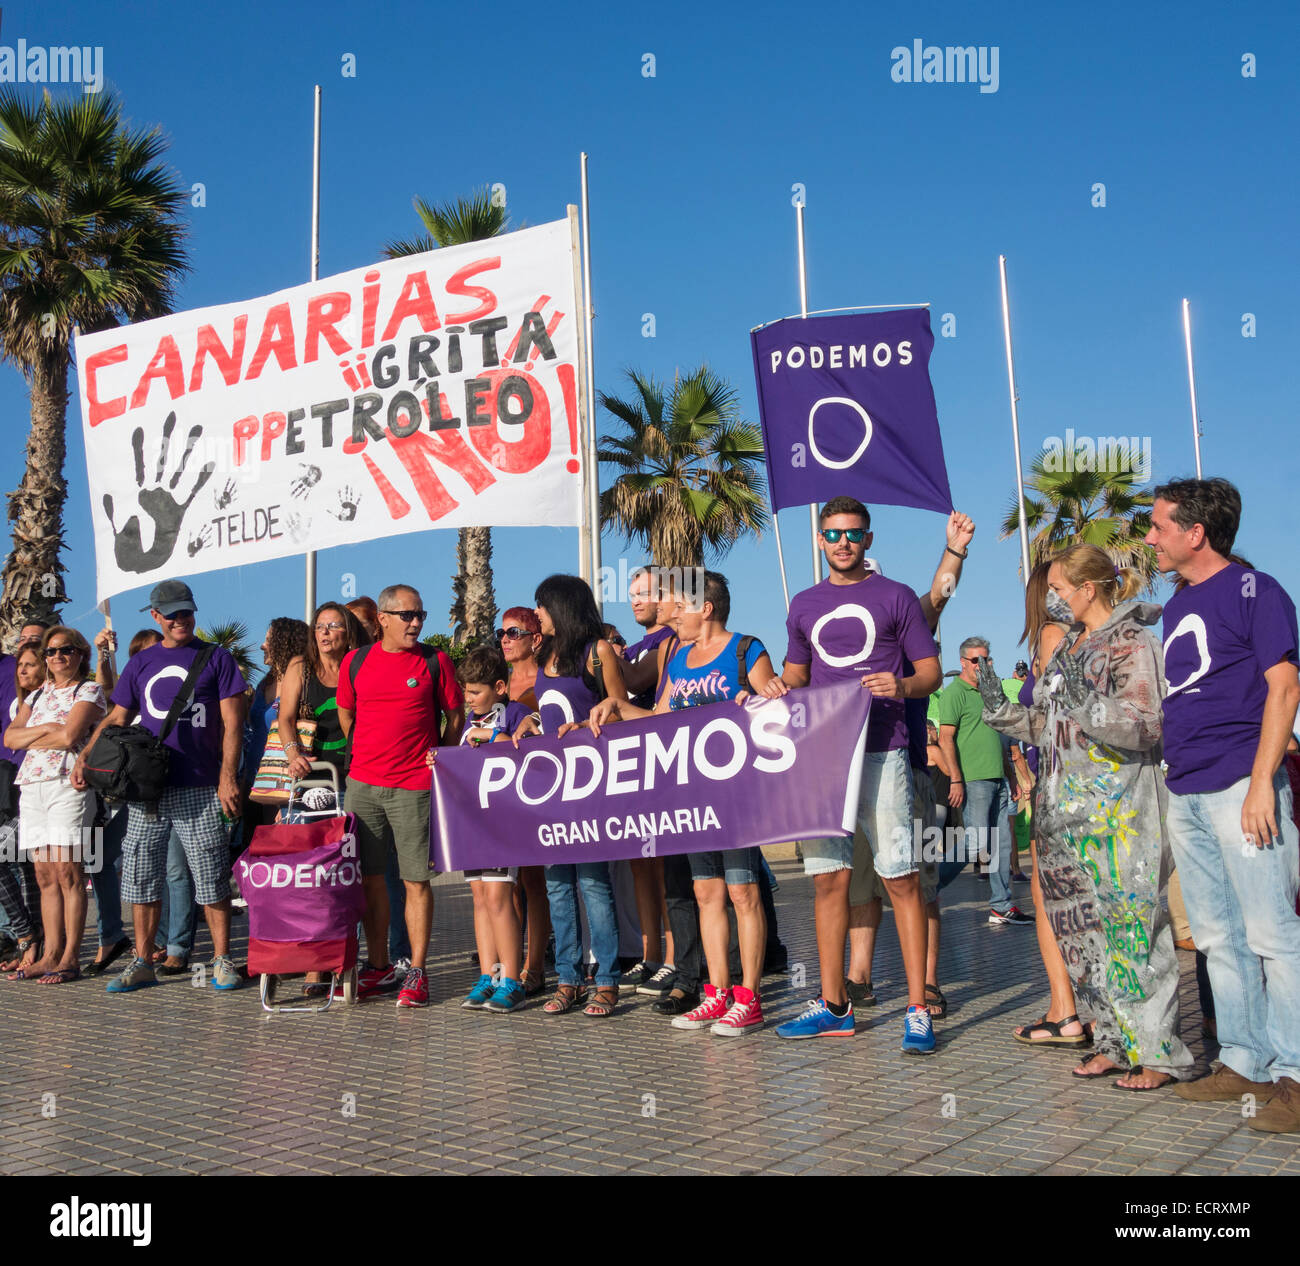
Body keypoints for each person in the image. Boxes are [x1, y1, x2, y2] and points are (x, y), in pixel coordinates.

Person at [980, 543, 1193, 1090]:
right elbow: (1052, 726)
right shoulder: (1072, 645)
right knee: (1086, 937)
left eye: (1059, 589)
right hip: (1061, 819)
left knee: (1133, 931)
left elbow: (1146, 726)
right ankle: (1113, 1044)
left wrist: (1088, 705)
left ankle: (1158, 1053)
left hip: (1118, 815)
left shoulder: (1131, 641)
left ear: (1088, 588)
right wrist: (1004, 713)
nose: (1053, 600)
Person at [1144, 478, 1300, 1129]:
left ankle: (1294, 1073)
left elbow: (1285, 687)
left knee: (1271, 935)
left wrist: (1264, 782)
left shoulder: (1256, 592)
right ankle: (1243, 1061)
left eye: (1157, 527)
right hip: (1187, 786)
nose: (1149, 538)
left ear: (1195, 532)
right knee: (1215, 937)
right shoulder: (1179, 605)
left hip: (1243, 783)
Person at [761, 496, 942, 1052]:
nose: (843, 542)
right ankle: (835, 1005)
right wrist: (776, 686)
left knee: (900, 878)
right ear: (820, 539)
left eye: (854, 534)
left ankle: (918, 1009)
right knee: (828, 881)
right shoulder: (804, 603)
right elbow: (797, 671)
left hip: (883, 749)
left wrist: (903, 686)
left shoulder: (897, 596)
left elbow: (931, 672)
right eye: (834, 533)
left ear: (868, 539)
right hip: (822, 756)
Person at [581, 571, 776, 1035]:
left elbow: (777, 711)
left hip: (737, 797)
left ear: (705, 609)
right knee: (706, 893)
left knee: (742, 892)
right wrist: (615, 708)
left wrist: (762, 699)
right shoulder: (681, 658)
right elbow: (659, 719)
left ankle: (749, 997)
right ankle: (717, 993)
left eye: (678, 607)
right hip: (691, 798)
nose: (671, 616)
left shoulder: (748, 649)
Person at [72, 580, 249, 995]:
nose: (181, 620)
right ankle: (142, 960)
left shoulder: (217, 659)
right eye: (171, 615)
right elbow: (117, 717)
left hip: (200, 785)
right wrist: (86, 758)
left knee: (208, 873)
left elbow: (234, 725)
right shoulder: (142, 663)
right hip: (147, 789)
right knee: (139, 874)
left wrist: (227, 778)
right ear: (156, 617)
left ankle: (222, 960)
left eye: (186, 612)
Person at [847, 512, 976, 1019]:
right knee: (860, 880)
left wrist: (955, 551)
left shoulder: (902, 618)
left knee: (916, 880)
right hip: (852, 772)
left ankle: (926, 982)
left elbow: (939, 593)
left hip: (908, 770)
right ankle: (858, 977)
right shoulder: (829, 633)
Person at [336, 584, 464, 1009]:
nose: (416, 623)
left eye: (420, 615)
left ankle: (418, 970)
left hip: (414, 786)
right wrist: (363, 749)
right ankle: (378, 966)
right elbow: (346, 711)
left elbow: (455, 713)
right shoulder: (356, 662)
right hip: (363, 786)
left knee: (415, 881)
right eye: (407, 615)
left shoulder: (435, 660)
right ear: (383, 619)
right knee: (370, 882)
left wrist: (441, 755)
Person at [512, 574, 627, 1018]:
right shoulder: (544, 657)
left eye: (542, 606)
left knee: (594, 885)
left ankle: (608, 979)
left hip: (592, 788)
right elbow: (551, 708)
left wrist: (588, 727)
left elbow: (622, 711)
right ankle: (568, 977)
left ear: (561, 607)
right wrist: (530, 723)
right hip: (553, 791)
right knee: (558, 887)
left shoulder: (596, 652)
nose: (537, 614)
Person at [1001, 562, 1083, 1048]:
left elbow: (1057, 714)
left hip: (1063, 781)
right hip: (1063, 778)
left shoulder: (1052, 634)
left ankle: (1064, 1011)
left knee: (1049, 897)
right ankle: (1077, 1009)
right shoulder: (1069, 635)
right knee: (1066, 898)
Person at [3, 627, 106, 982]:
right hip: (32, 785)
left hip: (68, 784)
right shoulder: (37, 696)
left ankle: (70, 957)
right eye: (50, 651)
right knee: (45, 875)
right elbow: (10, 737)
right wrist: (46, 727)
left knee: (68, 873)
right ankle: (49, 953)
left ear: (80, 654)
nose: (57, 656)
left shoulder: (88, 689)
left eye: (66, 650)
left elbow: (69, 736)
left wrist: (40, 734)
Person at [281, 601, 369, 995]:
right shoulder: (300, 667)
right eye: (320, 626)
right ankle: (316, 966)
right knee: (316, 874)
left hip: (357, 776)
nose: (326, 632)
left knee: (354, 872)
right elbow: (283, 719)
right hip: (315, 780)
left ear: (347, 631)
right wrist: (292, 754)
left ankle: (350, 958)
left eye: (334, 626)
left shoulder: (360, 664)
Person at [450, 644, 532, 1014]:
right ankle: (488, 975)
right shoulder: (468, 720)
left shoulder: (516, 713)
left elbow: (528, 754)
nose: (468, 699)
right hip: (473, 822)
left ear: (499, 686)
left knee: (501, 899)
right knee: (481, 898)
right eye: (465, 691)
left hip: (504, 823)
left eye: (475, 691)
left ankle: (513, 979)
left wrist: (493, 739)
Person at [936, 637, 1032, 926]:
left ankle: (1001, 905)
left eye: (987, 659)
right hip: (973, 779)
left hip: (999, 778)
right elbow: (945, 738)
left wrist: (1012, 776)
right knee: (975, 841)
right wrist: (955, 779)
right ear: (964, 662)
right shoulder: (955, 694)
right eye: (977, 660)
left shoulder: (994, 692)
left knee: (1002, 843)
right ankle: (929, 886)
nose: (983, 665)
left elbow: (1003, 736)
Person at [497, 607, 549, 993]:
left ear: (536, 639)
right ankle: (509, 964)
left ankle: (535, 966)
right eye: (502, 633)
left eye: (515, 632)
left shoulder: (547, 682)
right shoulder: (496, 682)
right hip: (498, 794)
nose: (505, 639)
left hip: (536, 791)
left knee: (534, 881)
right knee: (506, 885)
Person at [0, 646, 42, 974]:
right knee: (21, 863)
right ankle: (27, 934)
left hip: (46, 790)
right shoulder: (26, 702)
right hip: (13, 785)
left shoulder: (55, 697)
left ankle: (28, 934)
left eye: (29, 665)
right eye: (20, 666)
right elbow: (11, 738)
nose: (22, 671)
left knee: (27, 865)